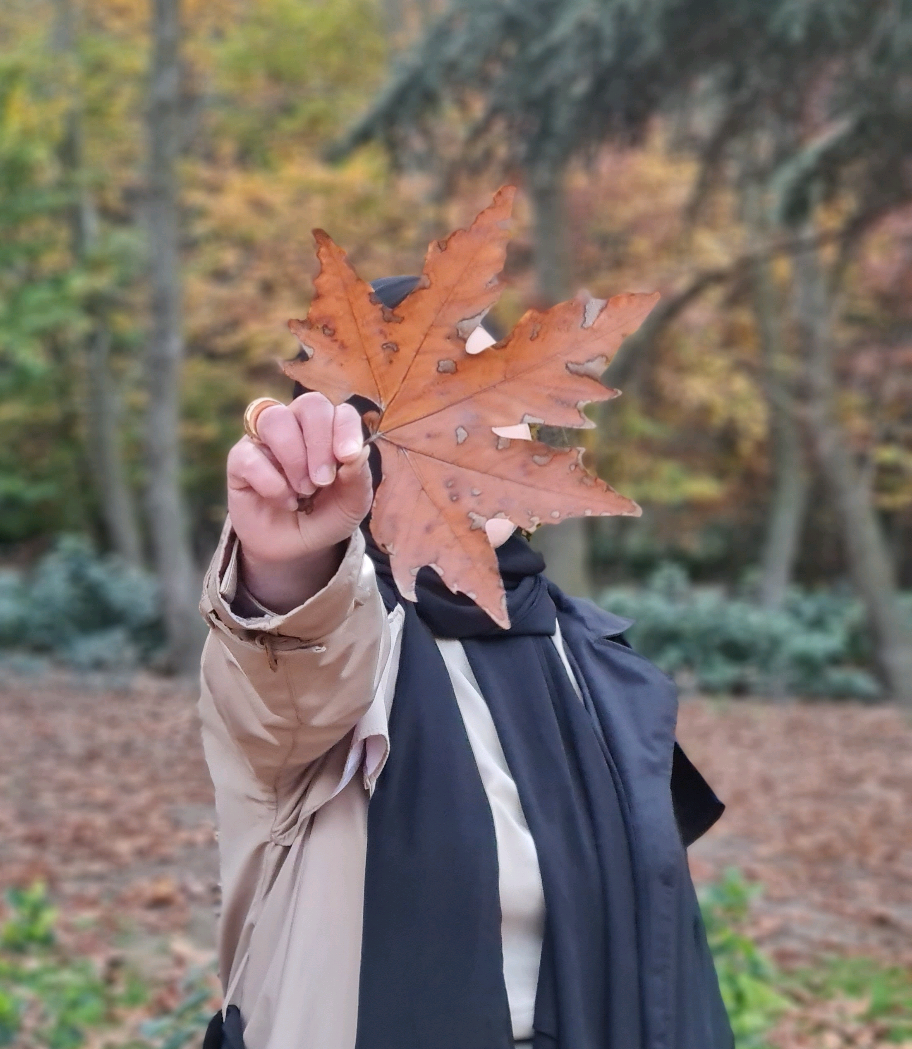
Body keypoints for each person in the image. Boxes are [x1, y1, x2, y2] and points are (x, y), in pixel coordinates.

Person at [199, 276, 734, 1049]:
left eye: (491, 398)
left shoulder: (583, 651)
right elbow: (287, 667)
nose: (472, 426)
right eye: (429, 403)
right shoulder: (336, 635)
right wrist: (285, 566)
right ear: (354, 444)